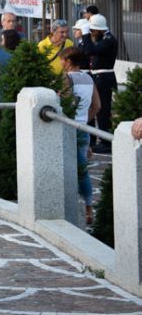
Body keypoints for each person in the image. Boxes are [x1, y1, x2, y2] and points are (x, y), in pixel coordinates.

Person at [58, 47, 100, 226]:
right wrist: (84, 120)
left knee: (69, 168)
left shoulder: (67, 79)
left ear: (67, 61)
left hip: (68, 127)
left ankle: (73, 208)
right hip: (83, 127)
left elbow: (64, 104)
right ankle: (88, 207)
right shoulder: (89, 78)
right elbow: (97, 106)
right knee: (82, 168)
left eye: (61, 60)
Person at [77, 14, 118, 154]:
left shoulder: (108, 40)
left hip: (104, 79)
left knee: (103, 111)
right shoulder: (102, 38)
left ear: (100, 30)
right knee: (97, 109)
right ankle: (100, 139)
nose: (91, 33)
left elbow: (89, 51)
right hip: (98, 78)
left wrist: (85, 35)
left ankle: (106, 142)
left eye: (93, 31)